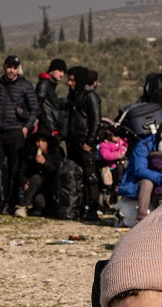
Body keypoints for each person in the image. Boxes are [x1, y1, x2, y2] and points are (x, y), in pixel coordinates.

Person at [0, 55, 39, 216]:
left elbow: (34, 108)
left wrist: (26, 127)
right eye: (9, 67)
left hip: (16, 132)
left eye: (14, 68)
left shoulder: (25, 86)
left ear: (18, 69)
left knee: (15, 170)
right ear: (4, 67)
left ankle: (10, 203)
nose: (11, 70)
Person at [63, 65, 103, 221]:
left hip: (85, 143)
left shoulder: (90, 96)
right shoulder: (73, 96)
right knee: (75, 176)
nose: (69, 83)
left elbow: (96, 121)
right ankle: (78, 207)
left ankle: (92, 209)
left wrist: (90, 142)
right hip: (73, 142)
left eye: (72, 80)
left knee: (90, 176)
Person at [19, 132, 61, 217]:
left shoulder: (55, 153)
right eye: (38, 141)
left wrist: (45, 163)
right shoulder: (30, 153)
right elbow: (22, 171)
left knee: (40, 202)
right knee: (36, 178)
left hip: (50, 188)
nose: (40, 144)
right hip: (35, 185)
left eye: (43, 141)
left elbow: (57, 172)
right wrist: (24, 182)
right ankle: (23, 206)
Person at [36, 58, 67, 139]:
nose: (62, 74)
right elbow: (38, 105)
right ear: (52, 70)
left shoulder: (50, 85)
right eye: (60, 71)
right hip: (47, 128)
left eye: (63, 72)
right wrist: (46, 124)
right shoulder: (44, 83)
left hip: (51, 127)